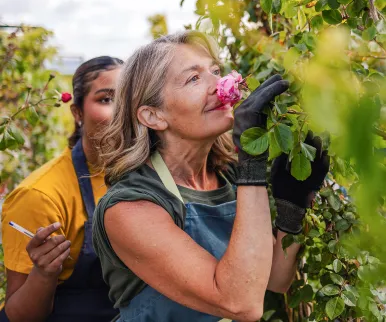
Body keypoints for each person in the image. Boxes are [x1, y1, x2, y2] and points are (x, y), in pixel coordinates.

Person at [92, 31, 329, 322]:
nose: (218, 85)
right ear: (153, 116)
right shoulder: (129, 208)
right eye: (193, 78)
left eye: (216, 71)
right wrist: (251, 166)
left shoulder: (225, 174)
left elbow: (276, 280)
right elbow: (240, 303)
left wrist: (292, 205)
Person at [1, 56, 124, 322]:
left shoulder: (142, 174)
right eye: (106, 99)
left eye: (129, 99)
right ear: (77, 113)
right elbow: (19, 316)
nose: (120, 111)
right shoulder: (40, 196)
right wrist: (44, 273)